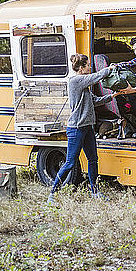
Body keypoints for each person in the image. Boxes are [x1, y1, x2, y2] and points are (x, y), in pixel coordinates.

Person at [47, 53, 118, 204]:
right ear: (81, 68)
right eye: (88, 65)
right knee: (70, 162)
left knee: (93, 159)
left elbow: (95, 101)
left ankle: (95, 192)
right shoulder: (76, 81)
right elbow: (96, 77)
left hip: (87, 128)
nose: (90, 67)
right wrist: (109, 69)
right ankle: (52, 193)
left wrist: (113, 96)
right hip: (76, 128)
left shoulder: (84, 87)